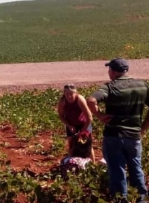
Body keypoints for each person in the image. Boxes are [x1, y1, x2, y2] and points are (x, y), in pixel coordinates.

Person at [87, 57, 149, 203]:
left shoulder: (110, 87)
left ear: (113, 72)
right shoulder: (142, 85)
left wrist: (100, 115)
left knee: (117, 169)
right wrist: (143, 128)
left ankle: (121, 200)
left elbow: (91, 100)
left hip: (113, 135)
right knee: (136, 167)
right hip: (134, 136)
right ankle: (140, 199)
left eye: (109, 69)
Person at [57, 83, 95, 163]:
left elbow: (89, 118)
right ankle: (70, 163)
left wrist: (82, 132)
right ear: (64, 94)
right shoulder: (62, 101)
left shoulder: (80, 100)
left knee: (87, 144)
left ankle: (93, 164)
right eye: (67, 94)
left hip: (84, 123)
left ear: (76, 93)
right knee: (71, 144)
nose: (69, 96)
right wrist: (69, 125)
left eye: (71, 94)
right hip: (71, 124)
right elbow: (61, 116)